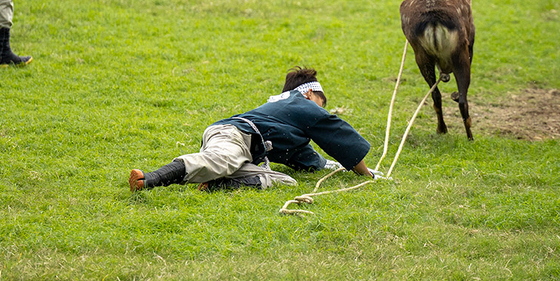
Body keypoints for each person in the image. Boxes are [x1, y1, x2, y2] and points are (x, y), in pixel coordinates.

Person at [129, 68, 382, 191]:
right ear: (308, 93)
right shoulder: (299, 102)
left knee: (285, 181)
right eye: (321, 102)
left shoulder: (286, 116)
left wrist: (334, 166)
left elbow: (308, 160)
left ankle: (216, 185)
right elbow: (336, 132)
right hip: (234, 135)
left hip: (245, 148)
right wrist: (365, 173)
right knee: (221, 160)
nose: (321, 109)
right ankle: (150, 178)